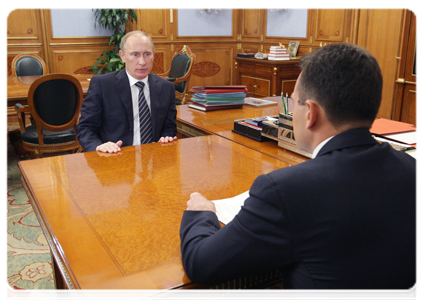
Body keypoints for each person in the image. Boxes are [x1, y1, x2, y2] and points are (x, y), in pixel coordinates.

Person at [179, 43, 419, 299]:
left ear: (311, 114)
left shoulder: (286, 191)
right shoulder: (411, 169)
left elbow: (201, 264)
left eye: (294, 103)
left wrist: (203, 213)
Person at [77, 31, 177, 153]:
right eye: (135, 55)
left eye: (147, 54)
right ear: (122, 56)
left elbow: (169, 127)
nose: (142, 62)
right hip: (115, 157)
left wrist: (166, 137)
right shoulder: (103, 85)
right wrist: (98, 146)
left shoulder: (166, 87)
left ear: (153, 55)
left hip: (154, 159)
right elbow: (85, 128)